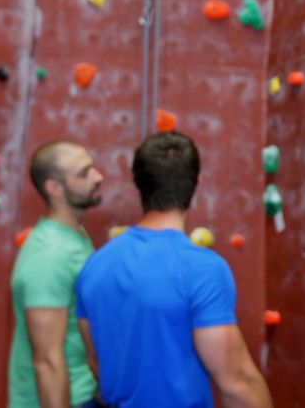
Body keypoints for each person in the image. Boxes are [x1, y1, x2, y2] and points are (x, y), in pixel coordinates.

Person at [75, 132, 272, 408]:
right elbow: (237, 384)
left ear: (139, 185)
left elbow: (96, 363)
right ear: (194, 186)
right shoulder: (202, 270)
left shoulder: (94, 267)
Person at [9, 141, 104, 408]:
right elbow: (48, 361)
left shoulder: (73, 236)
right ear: (54, 188)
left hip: (81, 392)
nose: (98, 177)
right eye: (84, 174)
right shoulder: (49, 257)